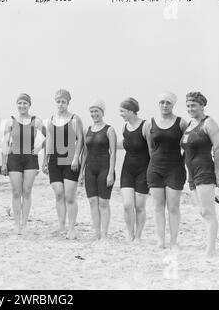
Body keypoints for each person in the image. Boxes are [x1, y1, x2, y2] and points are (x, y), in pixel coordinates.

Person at [181, 92, 219, 257]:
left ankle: (210, 249)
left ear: (202, 106)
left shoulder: (209, 123)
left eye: (194, 105)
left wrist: (217, 172)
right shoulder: (189, 124)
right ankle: (210, 245)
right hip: (191, 172)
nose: (190, 108)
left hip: (205, 170)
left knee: (208, 211)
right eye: (188, 106)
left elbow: (218, 148)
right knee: (201, 211)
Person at [145, 92, 188, 250]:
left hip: (175, 169)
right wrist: (155, 161)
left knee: (173, 207)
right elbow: (150, 147)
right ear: (158, 104)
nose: (164, 105)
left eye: (168, 103)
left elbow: (187, 146)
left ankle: (174, 241)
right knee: (158, 206)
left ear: (173, 105)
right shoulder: (150, 123)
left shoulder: (181, 122)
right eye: (162, 102)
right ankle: (160, 240)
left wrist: (180, 163)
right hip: (155, 168)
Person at [1, 93, 46, 234]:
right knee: (16, 192)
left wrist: (38, 148)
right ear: (17, 105)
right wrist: (3, 164)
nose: (22, 106)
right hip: (14, 158)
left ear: (29, 105)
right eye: (20, 103)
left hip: (30, 159)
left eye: (25, 103)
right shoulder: (10, 122)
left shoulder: (36, 121)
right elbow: (5, 144)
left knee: (27, 192)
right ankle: (16, 225)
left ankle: (24, 224)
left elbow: (48, 138)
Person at [42, 89, 83, 240]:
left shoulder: (74, 118)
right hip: (54, 160)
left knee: (69, 196)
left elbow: (80, 139)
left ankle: (72, 228)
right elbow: (49, 140)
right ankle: (61, 225)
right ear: (55, 102)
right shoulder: (50, 120)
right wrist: (45, 160)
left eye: (63, 102)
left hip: (70, 160)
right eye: (58, 101)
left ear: (68, 102)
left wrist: (76, 158)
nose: (60, 104)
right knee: (59, 193)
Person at [80, 99, 117, 241]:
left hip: (105, 169)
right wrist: (81, 174)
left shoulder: (109, 130)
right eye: (92, 111)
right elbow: (85, 152)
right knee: (92, 202)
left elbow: (113, 152)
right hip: (90, 169)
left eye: (97, 111)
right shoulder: (86, 130)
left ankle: (105, 234)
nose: (94, 114)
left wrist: (110, 173)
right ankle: (96, 233)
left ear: (102, 112)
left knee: (103, 202)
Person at [119, 98, 149, 242]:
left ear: (131, 111)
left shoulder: (145, 125)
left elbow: (151, 150)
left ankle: (138, 235)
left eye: (122, 111)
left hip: (143, 170)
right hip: (127, 170)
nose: (121, 114)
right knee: (127, 205)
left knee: (139, 206)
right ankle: (130, 233)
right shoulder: (124, 127)